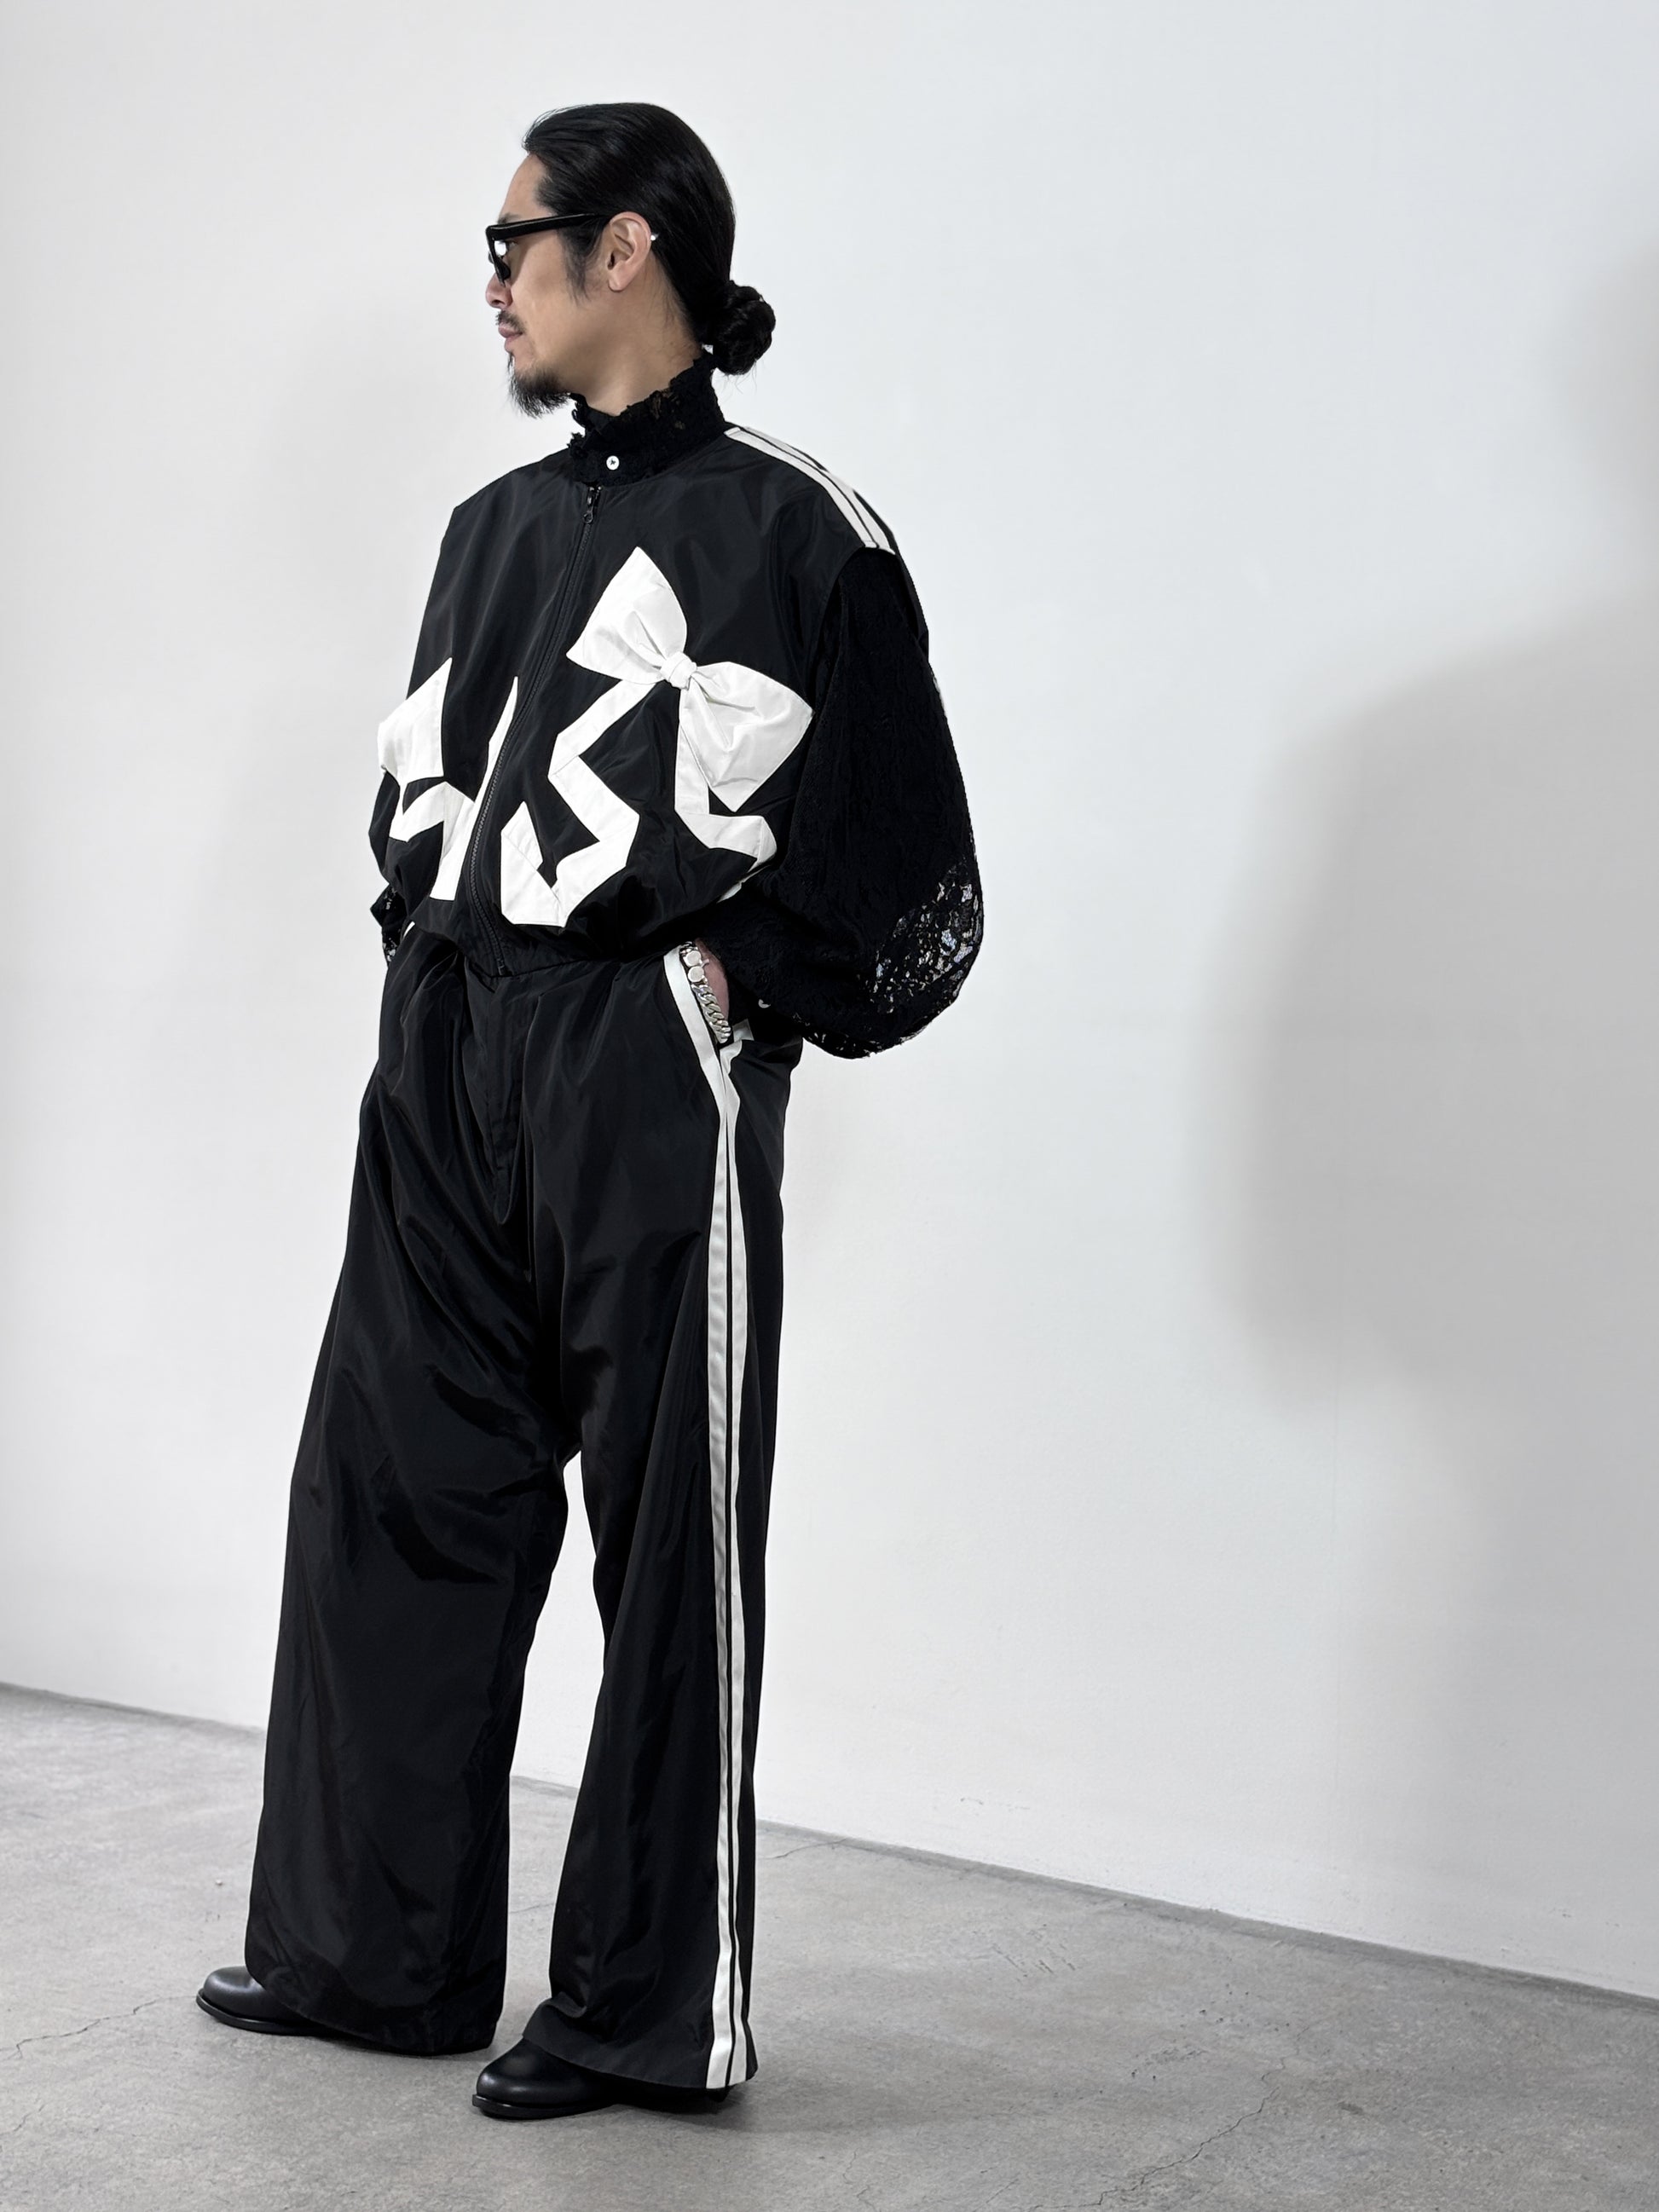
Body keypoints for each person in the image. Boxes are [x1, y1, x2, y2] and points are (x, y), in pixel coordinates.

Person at [196, 99, 981, 2122]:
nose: (491, 282)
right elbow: (440, 794)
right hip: (449, 1050)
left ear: (622, 247)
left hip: (646, 1066)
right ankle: (370, 1952)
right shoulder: (489, 526)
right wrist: (418, 962)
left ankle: (642, 2010)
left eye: (510, 242)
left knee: (669, 1541)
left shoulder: (803, 527)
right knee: (387, 1487)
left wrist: (737, 987)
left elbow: (918, 876)